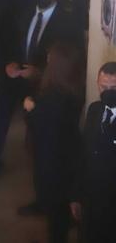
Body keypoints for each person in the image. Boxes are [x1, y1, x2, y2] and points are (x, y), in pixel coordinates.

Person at [0, 0, 81, 176]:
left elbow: (70, 59)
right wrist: (8, 63)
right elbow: (2, 40)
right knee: (0, 112)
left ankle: (43, 177)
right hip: (16, 76)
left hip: (45, 84)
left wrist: (40, 73)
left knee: (41, 132)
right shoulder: (22, 11)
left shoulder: (67, 22)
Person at [21, 41, 84, 241]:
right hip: (67, 159)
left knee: (56, 223)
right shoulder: (73, 89)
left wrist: (29, 108)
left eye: (50, 58)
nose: (47, 60)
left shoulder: (52, 98)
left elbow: (39, 126)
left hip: (52, 164)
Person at [70, 62, 116, 243]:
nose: (108, 92)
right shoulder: (94, 110)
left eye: (114, 88)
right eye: (103, 86)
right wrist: (76, 195)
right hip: (90, 201)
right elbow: (83, 155)